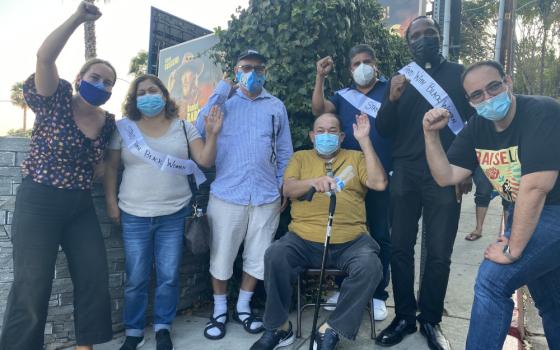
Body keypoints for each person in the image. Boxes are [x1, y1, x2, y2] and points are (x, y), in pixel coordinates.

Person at [0, 2, 116, 350]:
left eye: (108, 82)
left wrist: (102, 177)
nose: (101, 84)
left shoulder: (107, 122)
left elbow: (104, 163)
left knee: (94, 276)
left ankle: (86, 346)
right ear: (80, 79)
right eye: (95, 77)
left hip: (79, 206)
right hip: (39, 201)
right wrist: (79, 18)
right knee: (31, 285)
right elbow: (45, 58)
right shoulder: (56, 98)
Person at [423, 60, 560, 350]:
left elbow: (536, 188)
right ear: (470, 101)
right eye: (477, 95)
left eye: (493, 87)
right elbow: (446, 175)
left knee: (493, 281)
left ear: (507, 82)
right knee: (551, 302)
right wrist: (431, 135)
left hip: (553, 209)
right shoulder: (478, 126)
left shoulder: (542, 111)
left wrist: (513, 248)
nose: (487, 98)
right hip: (525, 212)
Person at [374, 16, 473, 349]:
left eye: (429, 33)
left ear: (439, 36)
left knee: (439, 252)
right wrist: (391, 97)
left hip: (445, 175)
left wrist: (469, 170)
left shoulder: (459, 75)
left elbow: (474, 126)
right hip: (405, 173)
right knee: (400, 247)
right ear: (408, 43)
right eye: (416, 35)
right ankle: (403, 316)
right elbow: (384, 130)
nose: (423, 39)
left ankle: (430, 320)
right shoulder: (400, 78)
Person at [103, 74, 223, 350]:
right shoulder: (124, 128)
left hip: (173, 213)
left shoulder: (183, 127)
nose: (148, 95)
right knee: (136, 277)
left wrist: (213, 134)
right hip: (133, 213)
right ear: (134, 99)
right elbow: (110, 168)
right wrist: (111, 202)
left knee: (168, 275)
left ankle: (162, 328)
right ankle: (134, 331)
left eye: (153, 90)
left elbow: (204, 160)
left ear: (165, 95)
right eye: (141, 92)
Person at [250, 112, 387, 350]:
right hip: (303, 239)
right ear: (312, 136)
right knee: (275, 255)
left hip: (352, 241)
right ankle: (279, 328)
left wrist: (365, 141)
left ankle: (330, 330)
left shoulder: (356, 157)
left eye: (332, 131)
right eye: (320, 131)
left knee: (371, 266)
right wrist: (314, 182)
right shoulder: (300, 158)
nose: (326, 135)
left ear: (342, 136)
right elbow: (289, 188)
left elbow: (379, 183)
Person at [194, 49, 293, 340]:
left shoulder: (275, 106)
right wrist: (222, 90)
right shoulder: (223, 103)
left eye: (259, 68)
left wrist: (281, 184)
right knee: (221, 256)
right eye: (247, 68)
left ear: (266, 72)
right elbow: (199, 129)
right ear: (237, 71)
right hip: (228, 195)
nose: (253, 73)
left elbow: (285, 150)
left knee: (257, 257)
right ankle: (220, 311)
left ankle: (244, 308)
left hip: (266, 197)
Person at [311, 44, 392, 320]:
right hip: (348, 177)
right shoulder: (344, 96)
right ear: (349, 68)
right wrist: (320, 77)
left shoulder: (390, 90)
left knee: (381, 236)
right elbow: (319, 109)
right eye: (356, 63)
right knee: (349, 234)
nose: (362, 67)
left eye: (366, 61)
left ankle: (379, 294)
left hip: (381, 175)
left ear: (376, 63)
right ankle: (347, 288)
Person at [465, 167, 510, 241]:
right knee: (482, 192)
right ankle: (478, 229)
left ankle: (507, 233)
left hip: (507, 162)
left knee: (508, 196)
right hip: (484, 160)